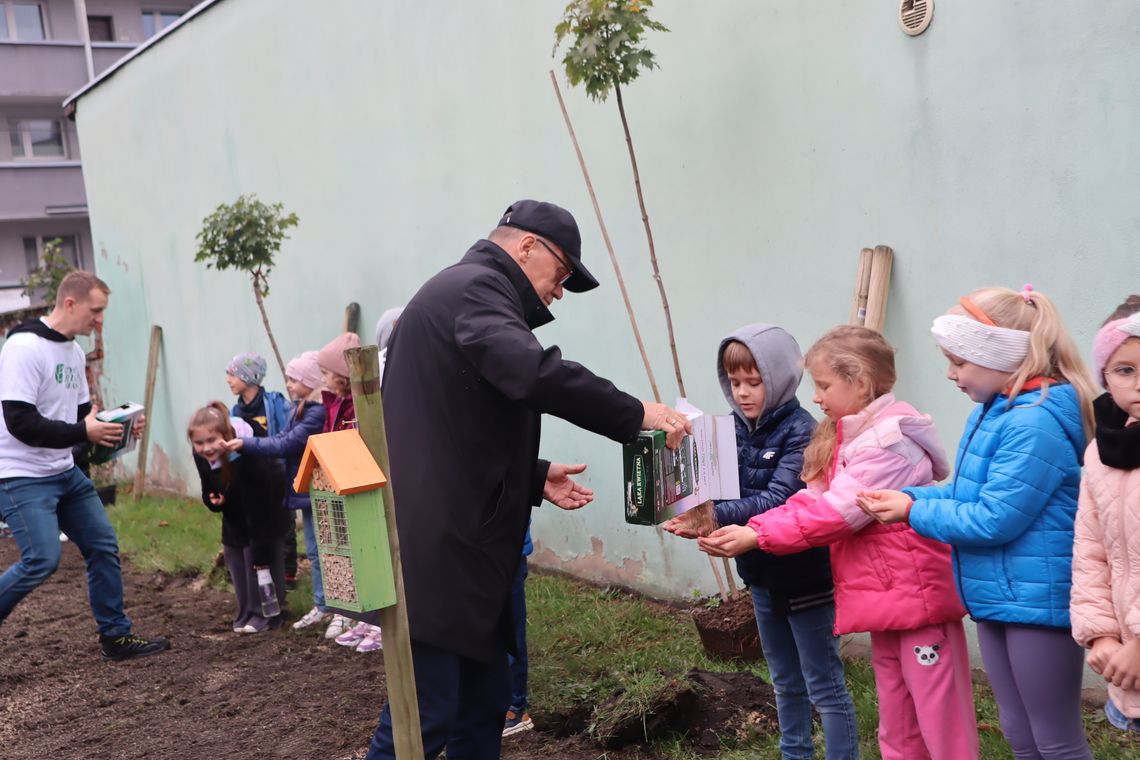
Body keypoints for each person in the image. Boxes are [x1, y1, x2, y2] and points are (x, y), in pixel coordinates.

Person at [365, 199, 690, 760]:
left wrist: (534, 474)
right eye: (561, 273)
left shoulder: (466, 292)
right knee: (421, 723)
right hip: (443, 549)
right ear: (526, 246)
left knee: (482, 709)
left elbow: (454, 423)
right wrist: (635, 413)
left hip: (464, 544)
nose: (559, 290)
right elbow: (531, 373)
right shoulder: (475, 288)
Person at [700, 326, 977, 760]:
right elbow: (808, 500)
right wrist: (754, 528)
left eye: (824, 385)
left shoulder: (888, 442)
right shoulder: (848, 435)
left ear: (860, 382)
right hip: (887, 601)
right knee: (897, 717)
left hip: (917, 600)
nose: (816, 396)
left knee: (940, 722)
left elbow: (836, 512)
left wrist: (756, 533)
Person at [858, 285, 1097, 760]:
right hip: (998, 596)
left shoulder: (1035, 423)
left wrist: (912, 511)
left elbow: (993, 519)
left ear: (1000, 356)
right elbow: (967, 495)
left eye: (958, 361)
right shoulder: (994, 413)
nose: (950, 374)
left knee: (1055, 739)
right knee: (1019, 732)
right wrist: (911, 495)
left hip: (1037, 601)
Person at [663, 324, 857, 760]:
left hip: (806, 578)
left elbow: (777, 500)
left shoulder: (802, 432)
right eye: (735, 382)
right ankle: (795, 754)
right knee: (784, 681)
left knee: (823, 686)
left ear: (782, 379)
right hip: (761, 576)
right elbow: (720, 490)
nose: (744, 393)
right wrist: (691, 511)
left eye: (755, 381)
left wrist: (708, 516)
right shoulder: (732, 428)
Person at [0, 271, 169, 660]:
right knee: (42, 558)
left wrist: (117, 429)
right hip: (20, 475)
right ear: (70, 303)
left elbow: (79, 425)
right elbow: (20, 422)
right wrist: (85, 429)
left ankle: (116, 637)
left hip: (63, 471)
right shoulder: (24, 348)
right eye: (96, 310)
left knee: (102, 545)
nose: (99, 320)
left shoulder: (74, 353)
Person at [1070, 296, 1140, 733]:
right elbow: (1090, 551)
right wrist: (1102, 635)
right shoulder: (1102, 453)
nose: (1139, 383)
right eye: (1125, 370)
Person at [222, 351, 328, 630]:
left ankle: (326, 605)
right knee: (315, 550)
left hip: (296, 482)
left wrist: (246, 444)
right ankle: (322, 604)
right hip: (286, 485)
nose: (289, 384)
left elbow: (284, 443)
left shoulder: (303, 410)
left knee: (314, 547)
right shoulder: (300, 408)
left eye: (294, 379)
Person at [189, 402, 289, 633]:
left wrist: (262, 551)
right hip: (235, 516)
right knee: (235, 556)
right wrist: (213, 500)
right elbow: (209, 487)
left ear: (227, 435)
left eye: (212, 441)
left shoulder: (250, 456)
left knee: (257, 560)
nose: (206, 448)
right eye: (199, 443)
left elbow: (262, 504)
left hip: (265, 515)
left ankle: (266, 615)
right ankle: (246, 612)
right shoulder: (201, 456)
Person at [314, 331, 383, 650]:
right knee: (353, 557)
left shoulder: (361, 406)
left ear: (343, 375)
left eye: (326, 372)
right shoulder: (333, 403)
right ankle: (366, 619)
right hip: (341, 483)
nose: (322, 378)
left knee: (376, 556)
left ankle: (381, 625)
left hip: (363, 482)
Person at [226, 352, 297, 589]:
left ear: (249, 377)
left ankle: (287, 572)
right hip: (251, 476)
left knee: (283, 521)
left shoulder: (274, 404)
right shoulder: (235, 412)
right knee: (259, 521)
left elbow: (286, 434)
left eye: (232, 374)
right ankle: (260, 565)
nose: (228, 379)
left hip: (276, 472)